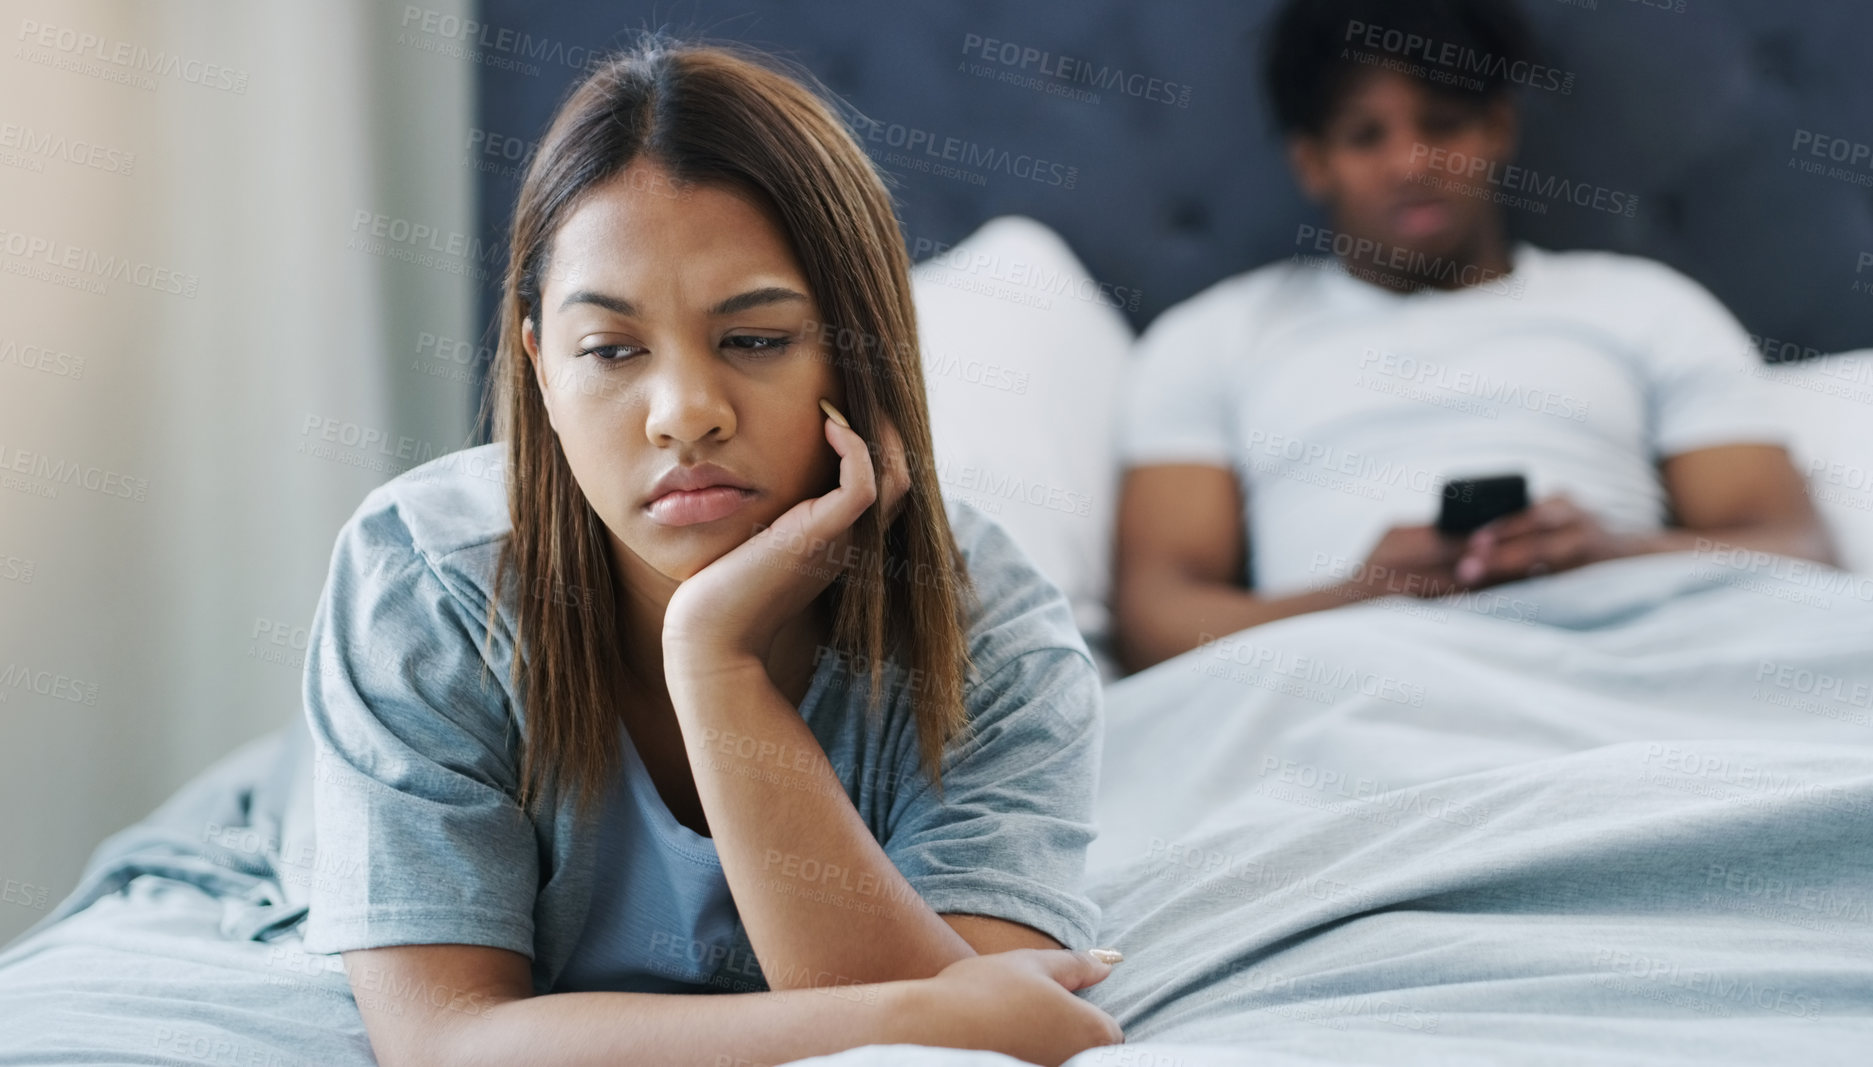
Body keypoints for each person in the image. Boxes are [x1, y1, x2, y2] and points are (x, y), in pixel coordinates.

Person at [0, 37, 1123, 1067]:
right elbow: (443, 1036)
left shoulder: (995, 642)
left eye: (753, 338)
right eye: (611, 349)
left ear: (861, 352)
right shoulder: (425, 576)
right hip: (280, 839)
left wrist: (715, 669)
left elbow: (973, 1041)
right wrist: (916, 1005)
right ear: (540, 366)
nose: (684, 413)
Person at [1111, 0, 1835, 675]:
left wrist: (1613, 553)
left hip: (1627, 662)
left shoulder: (1645, 306)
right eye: (1366, 136)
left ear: (1497, 128)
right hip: (1350, 685)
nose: (1411, 164)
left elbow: (1799, 555)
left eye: (1443, 124)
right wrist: (1359, 594)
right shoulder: (1213, 340)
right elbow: (1153, 619)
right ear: (1313, 162)